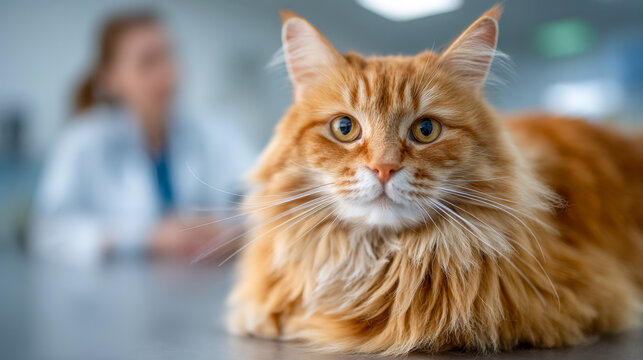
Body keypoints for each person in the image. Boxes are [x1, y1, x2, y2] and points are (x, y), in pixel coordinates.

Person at [30, 11, 254, 265]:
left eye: (168, 55)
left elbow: (267, 201)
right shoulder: (82, 142)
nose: (165, 73)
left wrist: (231, 230)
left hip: (202, 288)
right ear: (111, 79)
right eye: (147, 62)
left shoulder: (217, 135)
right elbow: (48, 235)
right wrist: (146, 236)